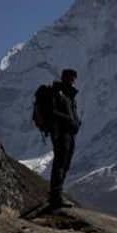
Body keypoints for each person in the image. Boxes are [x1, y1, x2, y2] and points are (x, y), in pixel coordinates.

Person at [48, 69, 81, 208]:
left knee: (65, 164)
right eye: (71, 78)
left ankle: (57, 194)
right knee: (60, 163)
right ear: (65, 78)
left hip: (69, 133)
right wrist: (69, 120)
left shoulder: (69, 95)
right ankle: (55, 196)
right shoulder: (58, 94)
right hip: (61, 133)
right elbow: (52, 112)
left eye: (74, 78)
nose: (73, 81)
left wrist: (76, 122)